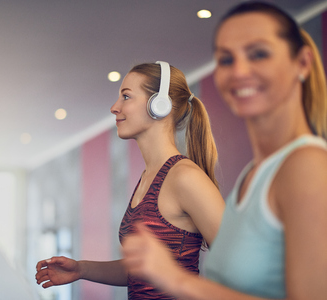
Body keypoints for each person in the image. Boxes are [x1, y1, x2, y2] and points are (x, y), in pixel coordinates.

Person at [121, 2, 327, 300]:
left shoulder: (305, 165)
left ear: (303, 63)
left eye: (259, 54)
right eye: (226, 59)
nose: (239, 71)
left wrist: (176, 281)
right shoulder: (251, 177)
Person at [35, 61, 225, 299]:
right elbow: (142, 273)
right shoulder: (149, 178)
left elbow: (241, 268)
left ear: (159, 105)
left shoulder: (185, 177)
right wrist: (81, 269)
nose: (115, 108)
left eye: (126, 96)